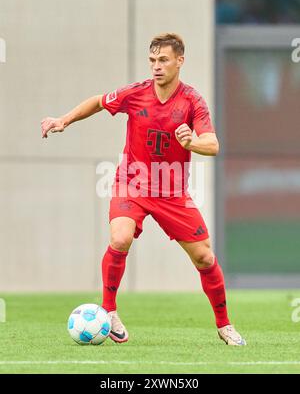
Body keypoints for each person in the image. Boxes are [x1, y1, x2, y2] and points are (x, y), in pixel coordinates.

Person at [41, 33, 246, 346]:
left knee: (204, 258)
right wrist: (63, 119)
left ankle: (225, 325)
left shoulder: (192, 101)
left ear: (180, 61)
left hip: (172, 193)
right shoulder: (135, 93)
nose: (156, 66)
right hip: (131, 184)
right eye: (152, 60)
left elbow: (213, 144)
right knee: (120, 237)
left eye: (163, 60)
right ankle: (108, 311)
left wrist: (192, 142)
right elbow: (98, 101)